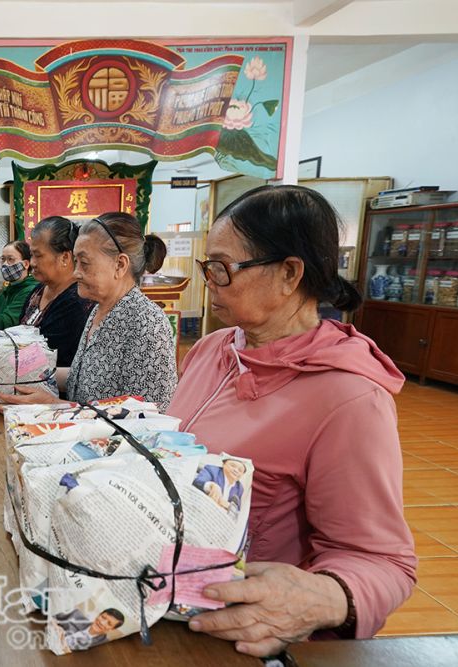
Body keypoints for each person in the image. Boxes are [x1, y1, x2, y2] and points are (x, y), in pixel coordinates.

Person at [169, 185, 416, 657]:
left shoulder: (347, 396)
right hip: (172, 601)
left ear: (289, 273)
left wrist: (321, 598)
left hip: (244, 633)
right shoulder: (211, 350)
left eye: (222, 268)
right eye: (208, 266)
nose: (210, 281)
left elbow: (382, 562)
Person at [0, 212, 177, 410]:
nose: (76, 272)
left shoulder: (147, 324)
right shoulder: (98, 310)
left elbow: (149, 417)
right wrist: (18, 371)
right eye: (76, 261)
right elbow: (80, 379)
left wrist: (55, 405)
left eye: (84, 263)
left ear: (120, 264)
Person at [19, 216, 93, 366]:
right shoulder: (38, 290)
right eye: (31, 255)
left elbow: (50, 357)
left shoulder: (76, 302)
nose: (32, 263)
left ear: (65, 257)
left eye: (38, 255)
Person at [0, 240, 38, 329]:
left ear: (25, 264)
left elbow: (6, 322)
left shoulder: (30, 290)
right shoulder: (10, 288)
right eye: (3, 259)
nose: (5, 264)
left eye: (10, 259)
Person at [55, 607, 125, 652]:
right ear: (98, 615)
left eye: (109, 623)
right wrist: (55, 625)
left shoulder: (103, 647)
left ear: (112, 629)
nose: (102, 623)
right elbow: (51, 612)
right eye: (103, 617)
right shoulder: (75, 614)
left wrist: (67, 651)